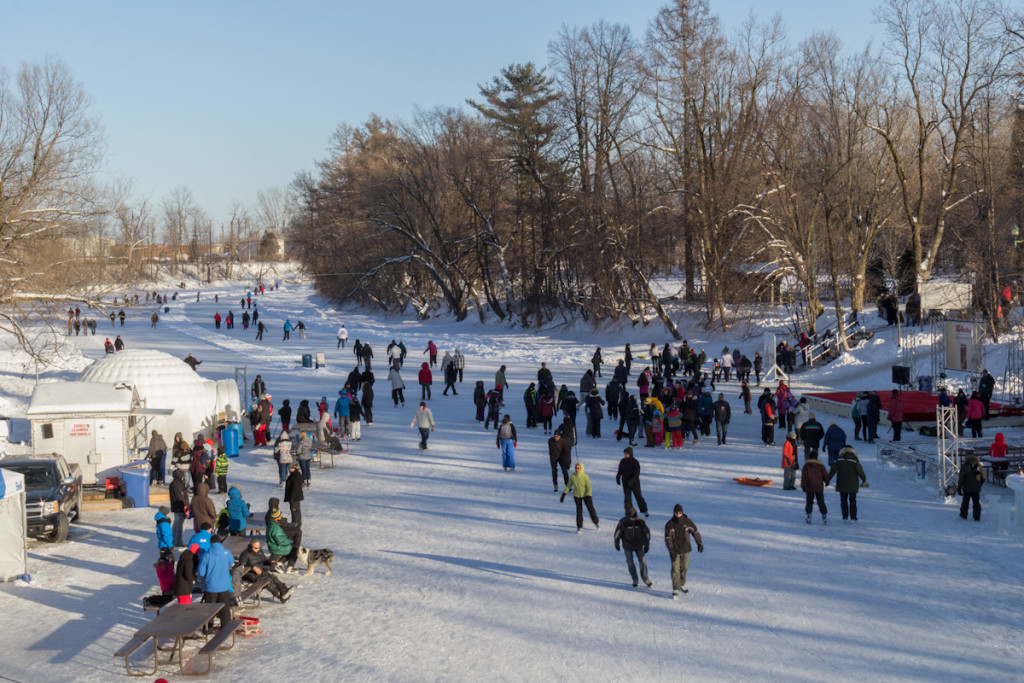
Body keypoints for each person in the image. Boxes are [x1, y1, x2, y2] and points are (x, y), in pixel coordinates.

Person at [233, 538, 294, 603]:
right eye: (256, 548)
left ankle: (284, 590)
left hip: (261, 571)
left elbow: (264, 560)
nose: (258, 549)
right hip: (250, 574)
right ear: (251, 546)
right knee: (268, 580)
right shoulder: (245, 554)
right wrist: (252, 568)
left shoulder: (260, 551)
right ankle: (280, 596)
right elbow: (242, 566)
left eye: (259, 547)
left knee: (273, 577)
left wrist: (270, 562)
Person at [664, 503, 703, 599]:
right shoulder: (670, 524)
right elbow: (667, 539)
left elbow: (695, 532)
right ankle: (676, 587)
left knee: (685, 567)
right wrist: (671, 551)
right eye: (676, 512)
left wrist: (699, 543)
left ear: (682, 512)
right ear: (674, 513)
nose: (678, 514)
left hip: (685, 548)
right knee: (675, 569)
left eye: (680, 512)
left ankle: (682, 583)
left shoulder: (687, 521)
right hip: (675, 550)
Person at [197, 535, 235, 630]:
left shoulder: (207, 555)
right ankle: (225, 626)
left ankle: (208, 628)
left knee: (210, 608)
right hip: (224, 585)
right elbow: (231, 563)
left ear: (211, 543)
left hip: (211, 586)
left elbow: (201, 572)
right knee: (225, 607)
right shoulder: (227, 552)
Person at [827, 446, 869, 521]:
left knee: (843, 500)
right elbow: (860, 471)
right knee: (853, 500)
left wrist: (827, 479)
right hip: (853, 484)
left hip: (841, 483)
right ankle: (853, 517)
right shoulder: (854, 460)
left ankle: (845, 516)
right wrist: (864, 480)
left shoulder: (839, 460)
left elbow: (833, 470)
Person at [614, 507, 652, 589]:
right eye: (631, 517)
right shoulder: (623, 522)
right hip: (627, 545)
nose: (633, 519)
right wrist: (617, 544)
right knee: (630, 562)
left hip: (639, 545)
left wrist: (647, 544)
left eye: (634, 517)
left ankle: (646, 578)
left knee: (643, 561)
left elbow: (647, 534)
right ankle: (635, 579)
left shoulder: (640, 521)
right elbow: (617, 533)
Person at [561, 462, 599, 533]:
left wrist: (589, 494)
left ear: (581, 469)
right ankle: (579, 526)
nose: (576, 469)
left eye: (578, 468)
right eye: (576, 468)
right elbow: (569, 486)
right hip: (576, 495)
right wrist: (564, 494)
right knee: (579, 511)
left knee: (590, 509)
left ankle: (596, 522)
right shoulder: (573, 476)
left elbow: (588, 486)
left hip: (586, 495)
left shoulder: (585, 476)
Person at [616, 447, 648, 517]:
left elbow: (636, 474)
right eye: (624, 453)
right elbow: (620, 471)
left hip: (635, 484)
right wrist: (618, 477)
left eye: (627, 453)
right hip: (625, 483)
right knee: (627, 499)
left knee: (638, 497)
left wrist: (630, 482)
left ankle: (644, 510)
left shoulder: (635, 462)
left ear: (630, 454)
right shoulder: (623, 461)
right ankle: (628, 513)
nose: (625, 455)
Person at [801, 451, 829, 524]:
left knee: (809, 502)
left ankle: (809, 515)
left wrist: (803, 485)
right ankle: (824, 515)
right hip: (819, 487)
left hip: (809, 487)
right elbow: (825, 475)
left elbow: (804, 477)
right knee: (821, 502)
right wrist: (827, 481)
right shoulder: (821, 466)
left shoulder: (806, 466)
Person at [958, 454, 986, 521]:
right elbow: (984, 477)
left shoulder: (965, 466)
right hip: (976, 488)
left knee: (965, 502)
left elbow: (961, 478)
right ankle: (977, 516)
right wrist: (980, 484)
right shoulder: (978, 466)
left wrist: (959, 487)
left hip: (967, 487)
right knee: (976, 502)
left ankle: (963, 514)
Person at [169, 470, 189, 547]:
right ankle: (178, 542)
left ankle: (174, 540)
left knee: (176, 524)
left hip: (176, 507)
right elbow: (181, 497)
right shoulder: (178, 485)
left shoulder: (174, 484)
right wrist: (185, 507)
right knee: (179, 525)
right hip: (180, 508)